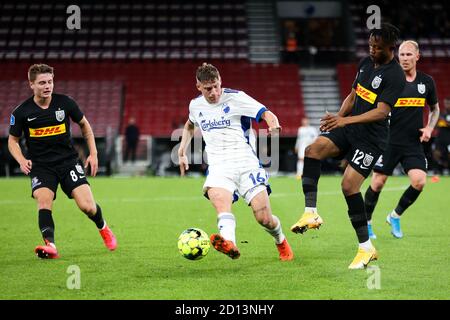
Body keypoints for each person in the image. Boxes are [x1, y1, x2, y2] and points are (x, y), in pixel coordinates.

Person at [290, 23, 406, 269]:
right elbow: (353, 96)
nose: (372, 50)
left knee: (348, 186)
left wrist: (344, 120)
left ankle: (366, 249)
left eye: (377, 47)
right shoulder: (365, 63)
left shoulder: (394, 75)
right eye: (370, 45)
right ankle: (311, 212)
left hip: (372, 139)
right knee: (313, 150)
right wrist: (336, 120)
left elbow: (381, 112)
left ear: (390, 48)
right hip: (350, 128)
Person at [178, 63, 293, 261]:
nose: (214, 92)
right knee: (221, 204)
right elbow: (189, 125)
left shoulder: (236, 97)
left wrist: (273, 124)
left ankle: (280, 240)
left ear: (220, 80)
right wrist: (182, 149)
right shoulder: (195, 105)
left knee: (264, 219)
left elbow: (266, 113)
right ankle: (229, 242)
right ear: (198, 87)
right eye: (208, 89)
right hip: (219, 167)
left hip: (246, 164)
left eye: (216, 86)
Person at [8, 64, 117, 259]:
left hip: (68, 162)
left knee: (87, 206)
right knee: (43, 201)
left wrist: (93, 153)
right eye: (42, 83)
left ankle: (104, 228)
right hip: (41, 167)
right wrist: (21, 159)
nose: (47, 86)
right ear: (31, 84)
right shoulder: (21, 112)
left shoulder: (65, 103)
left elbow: (85, 125)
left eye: (50, 81)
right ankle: (51, 245)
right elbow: (12, 141)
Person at [364, 40, 440, 239]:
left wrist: (429, 128)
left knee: (419, 181)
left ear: (417, 56)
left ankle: (395, 216)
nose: (404, 58)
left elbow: (435, 108)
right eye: (402, 55)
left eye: (408, 55)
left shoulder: (426, 82)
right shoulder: (389, 79)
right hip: (387, 142)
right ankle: (367, 223)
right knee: (378, 183)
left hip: (412, 143)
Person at [434, 97, 450, 173]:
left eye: (447, 103)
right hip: (440, 138)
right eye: (445, 103)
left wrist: (445, 122)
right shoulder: (442, 114)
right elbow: (436, 125)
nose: (446, 105)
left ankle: (447, 168)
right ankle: (440, 168)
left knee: (448, 154)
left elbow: (445, 123)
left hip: (448, 138)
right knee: (436, 153)